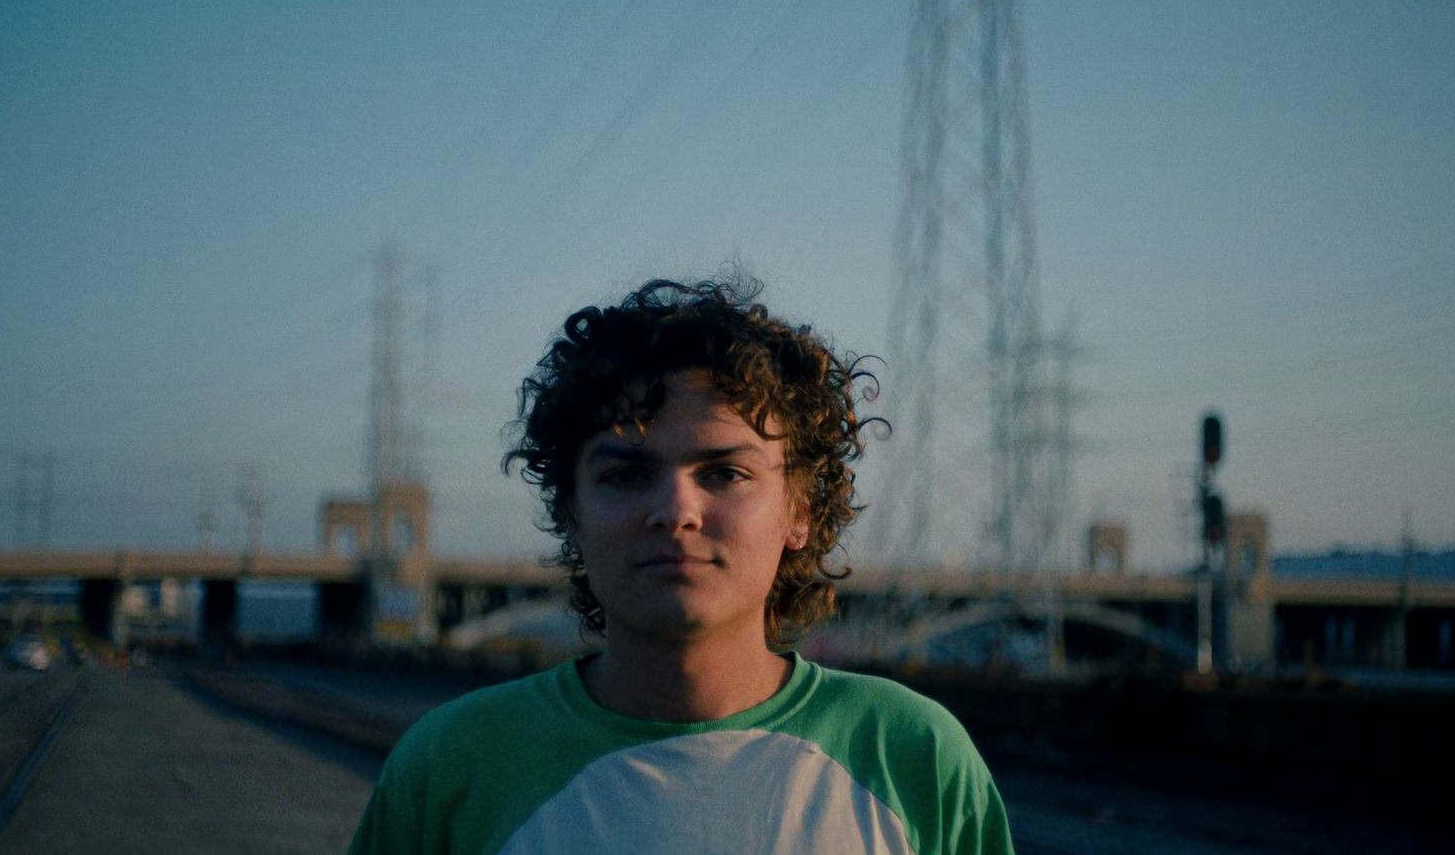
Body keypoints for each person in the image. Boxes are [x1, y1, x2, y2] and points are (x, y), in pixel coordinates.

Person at [349, 277, 1014, 854]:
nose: (676, 511)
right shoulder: (452, 766)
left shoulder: (913, 755)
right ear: (571, 513)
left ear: (799, 511)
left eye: (724, 472)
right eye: (626, 475)